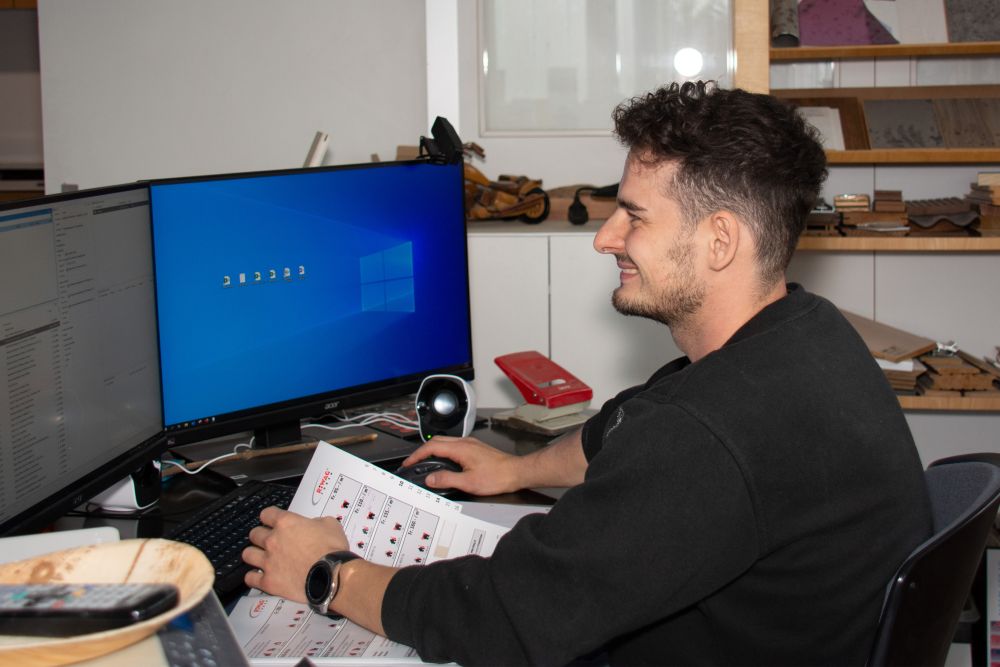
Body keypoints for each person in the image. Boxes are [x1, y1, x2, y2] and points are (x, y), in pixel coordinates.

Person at [242, 81, 932, 665]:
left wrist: (329, 573)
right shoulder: (804, 332)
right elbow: (624, 428)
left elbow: (506, 615)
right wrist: (517, 469)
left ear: (720, 239)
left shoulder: (710, 435)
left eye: (634, 216)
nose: (606, 238)